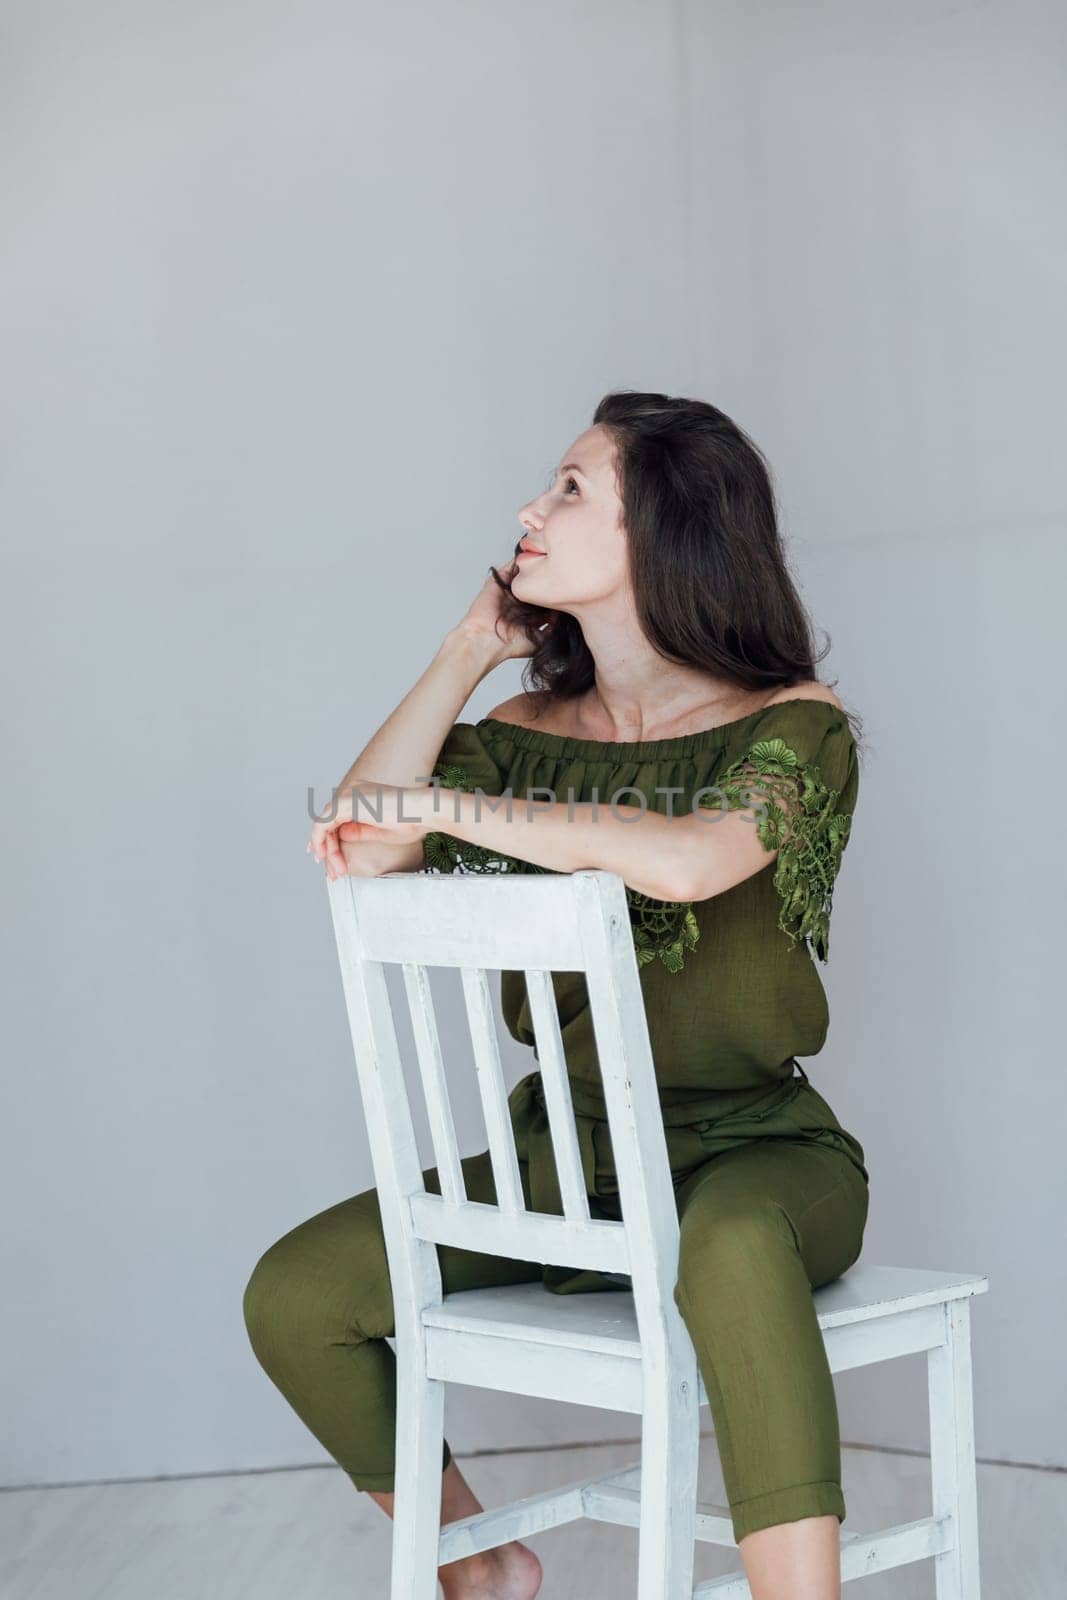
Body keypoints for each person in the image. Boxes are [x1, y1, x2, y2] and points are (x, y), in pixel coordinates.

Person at [244, 391, 870, 1600]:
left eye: (571, 491)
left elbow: (689, 862)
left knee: (732, 1248)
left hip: (758, 1154)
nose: (529, 510)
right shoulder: (522, 731)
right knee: (296, 1296)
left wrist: (453, 808)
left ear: (668, 535)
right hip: (568, 1165)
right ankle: (483, 1567)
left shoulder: (794, 728)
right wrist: (464, 651)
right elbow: (364, 842)